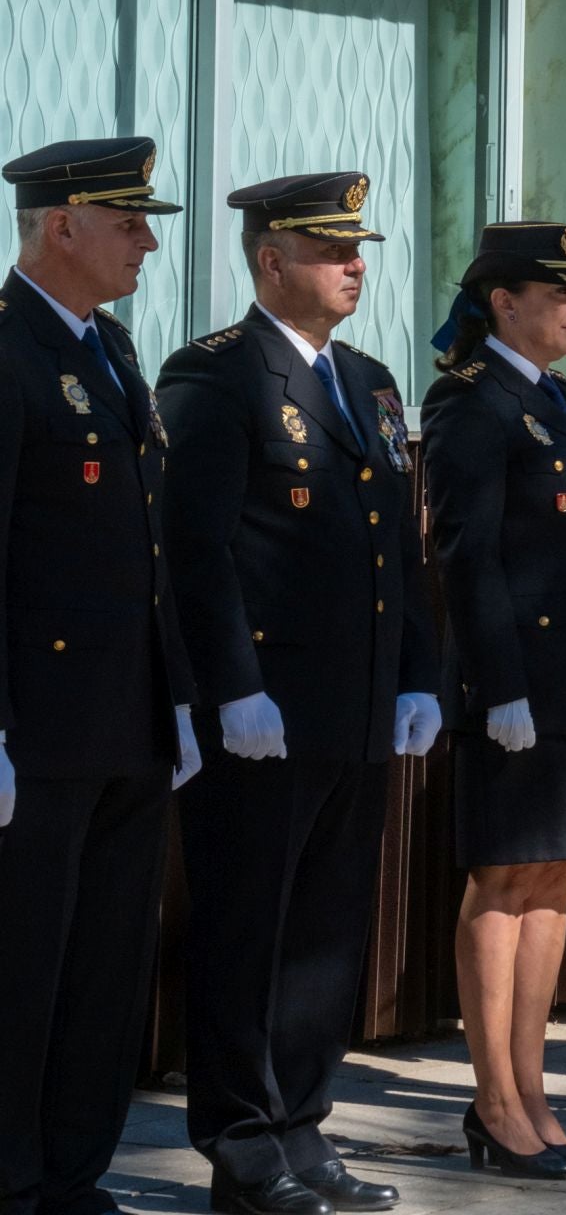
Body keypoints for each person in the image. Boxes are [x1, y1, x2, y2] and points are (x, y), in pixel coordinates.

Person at [156, 173, 439, 1215]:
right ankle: (240, 1141)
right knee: (248, 928)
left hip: (355, 704)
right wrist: (230, 685)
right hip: (264, 714)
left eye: (358, 246)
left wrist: (418, 671)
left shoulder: (365, 380)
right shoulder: (215, 376)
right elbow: (195, 552)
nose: (355, 262)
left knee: (326, 929)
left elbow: (395, 550)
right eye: (331, 248)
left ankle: (302, 1124)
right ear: (271, 260)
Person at [0, 136, 202, 1215]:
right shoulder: (9, 352)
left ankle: (73, 1171)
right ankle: (15, 1175)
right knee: (24, 968)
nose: (149, 241)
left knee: (102, 968)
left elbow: (146, 545)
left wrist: (175, 698)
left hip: (126, 718)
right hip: (39, 727)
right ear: (57, 227)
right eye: (127, 221)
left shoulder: (113, 348)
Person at [422, 221, 566, 1182]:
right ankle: (493, 1101)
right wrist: (498, 686)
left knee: (556, 878)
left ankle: (531, 1087)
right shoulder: (471, 401)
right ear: (501, 303)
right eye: (557, 291)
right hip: (520, 685)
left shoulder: (560, 397)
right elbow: (468, 557)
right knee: (504, 880)